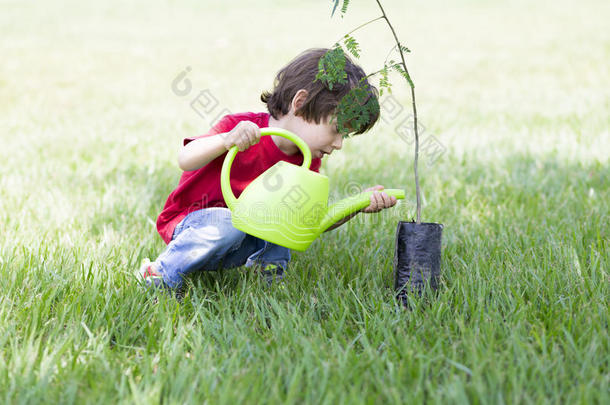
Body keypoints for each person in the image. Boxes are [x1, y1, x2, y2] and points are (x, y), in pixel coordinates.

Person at [138, 48, 399, 291]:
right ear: (300, 102)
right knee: (232, 225)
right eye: (336, 130)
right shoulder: (239, 127)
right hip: (194, 223)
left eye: (346, 136)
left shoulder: (306, 160)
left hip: (244, 229)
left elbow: (308, 224)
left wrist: (356, 206)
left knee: (284, 217)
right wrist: (227, 140)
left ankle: (267, 283)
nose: (340, 144)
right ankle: (159, 273)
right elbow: (185, 158)